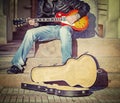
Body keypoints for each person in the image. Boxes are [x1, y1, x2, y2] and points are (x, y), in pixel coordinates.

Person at [7, 0, 90, 74]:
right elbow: (40, 22)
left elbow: (86, 6)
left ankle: (67, 64)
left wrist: (76, 16)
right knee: (30, 32)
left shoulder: (66, 1)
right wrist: (36, 23)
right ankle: (17, 64)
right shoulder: (42, 3)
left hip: (66, 27)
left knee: (64, 31)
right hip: (50, 29)